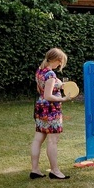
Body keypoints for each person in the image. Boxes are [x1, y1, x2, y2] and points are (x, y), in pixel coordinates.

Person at [31, 48, 73, 180]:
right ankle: (55, 171)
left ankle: (35, 170)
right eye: (60, 63)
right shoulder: (50, 75)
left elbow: (40, 89)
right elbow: (48, 96)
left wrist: (59, 85)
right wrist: (63, 99)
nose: (60, 65)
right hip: (51, 110)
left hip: (40, 109)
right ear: (56, 60)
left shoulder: (40, 70)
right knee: (53, 141)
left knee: (38, 139)